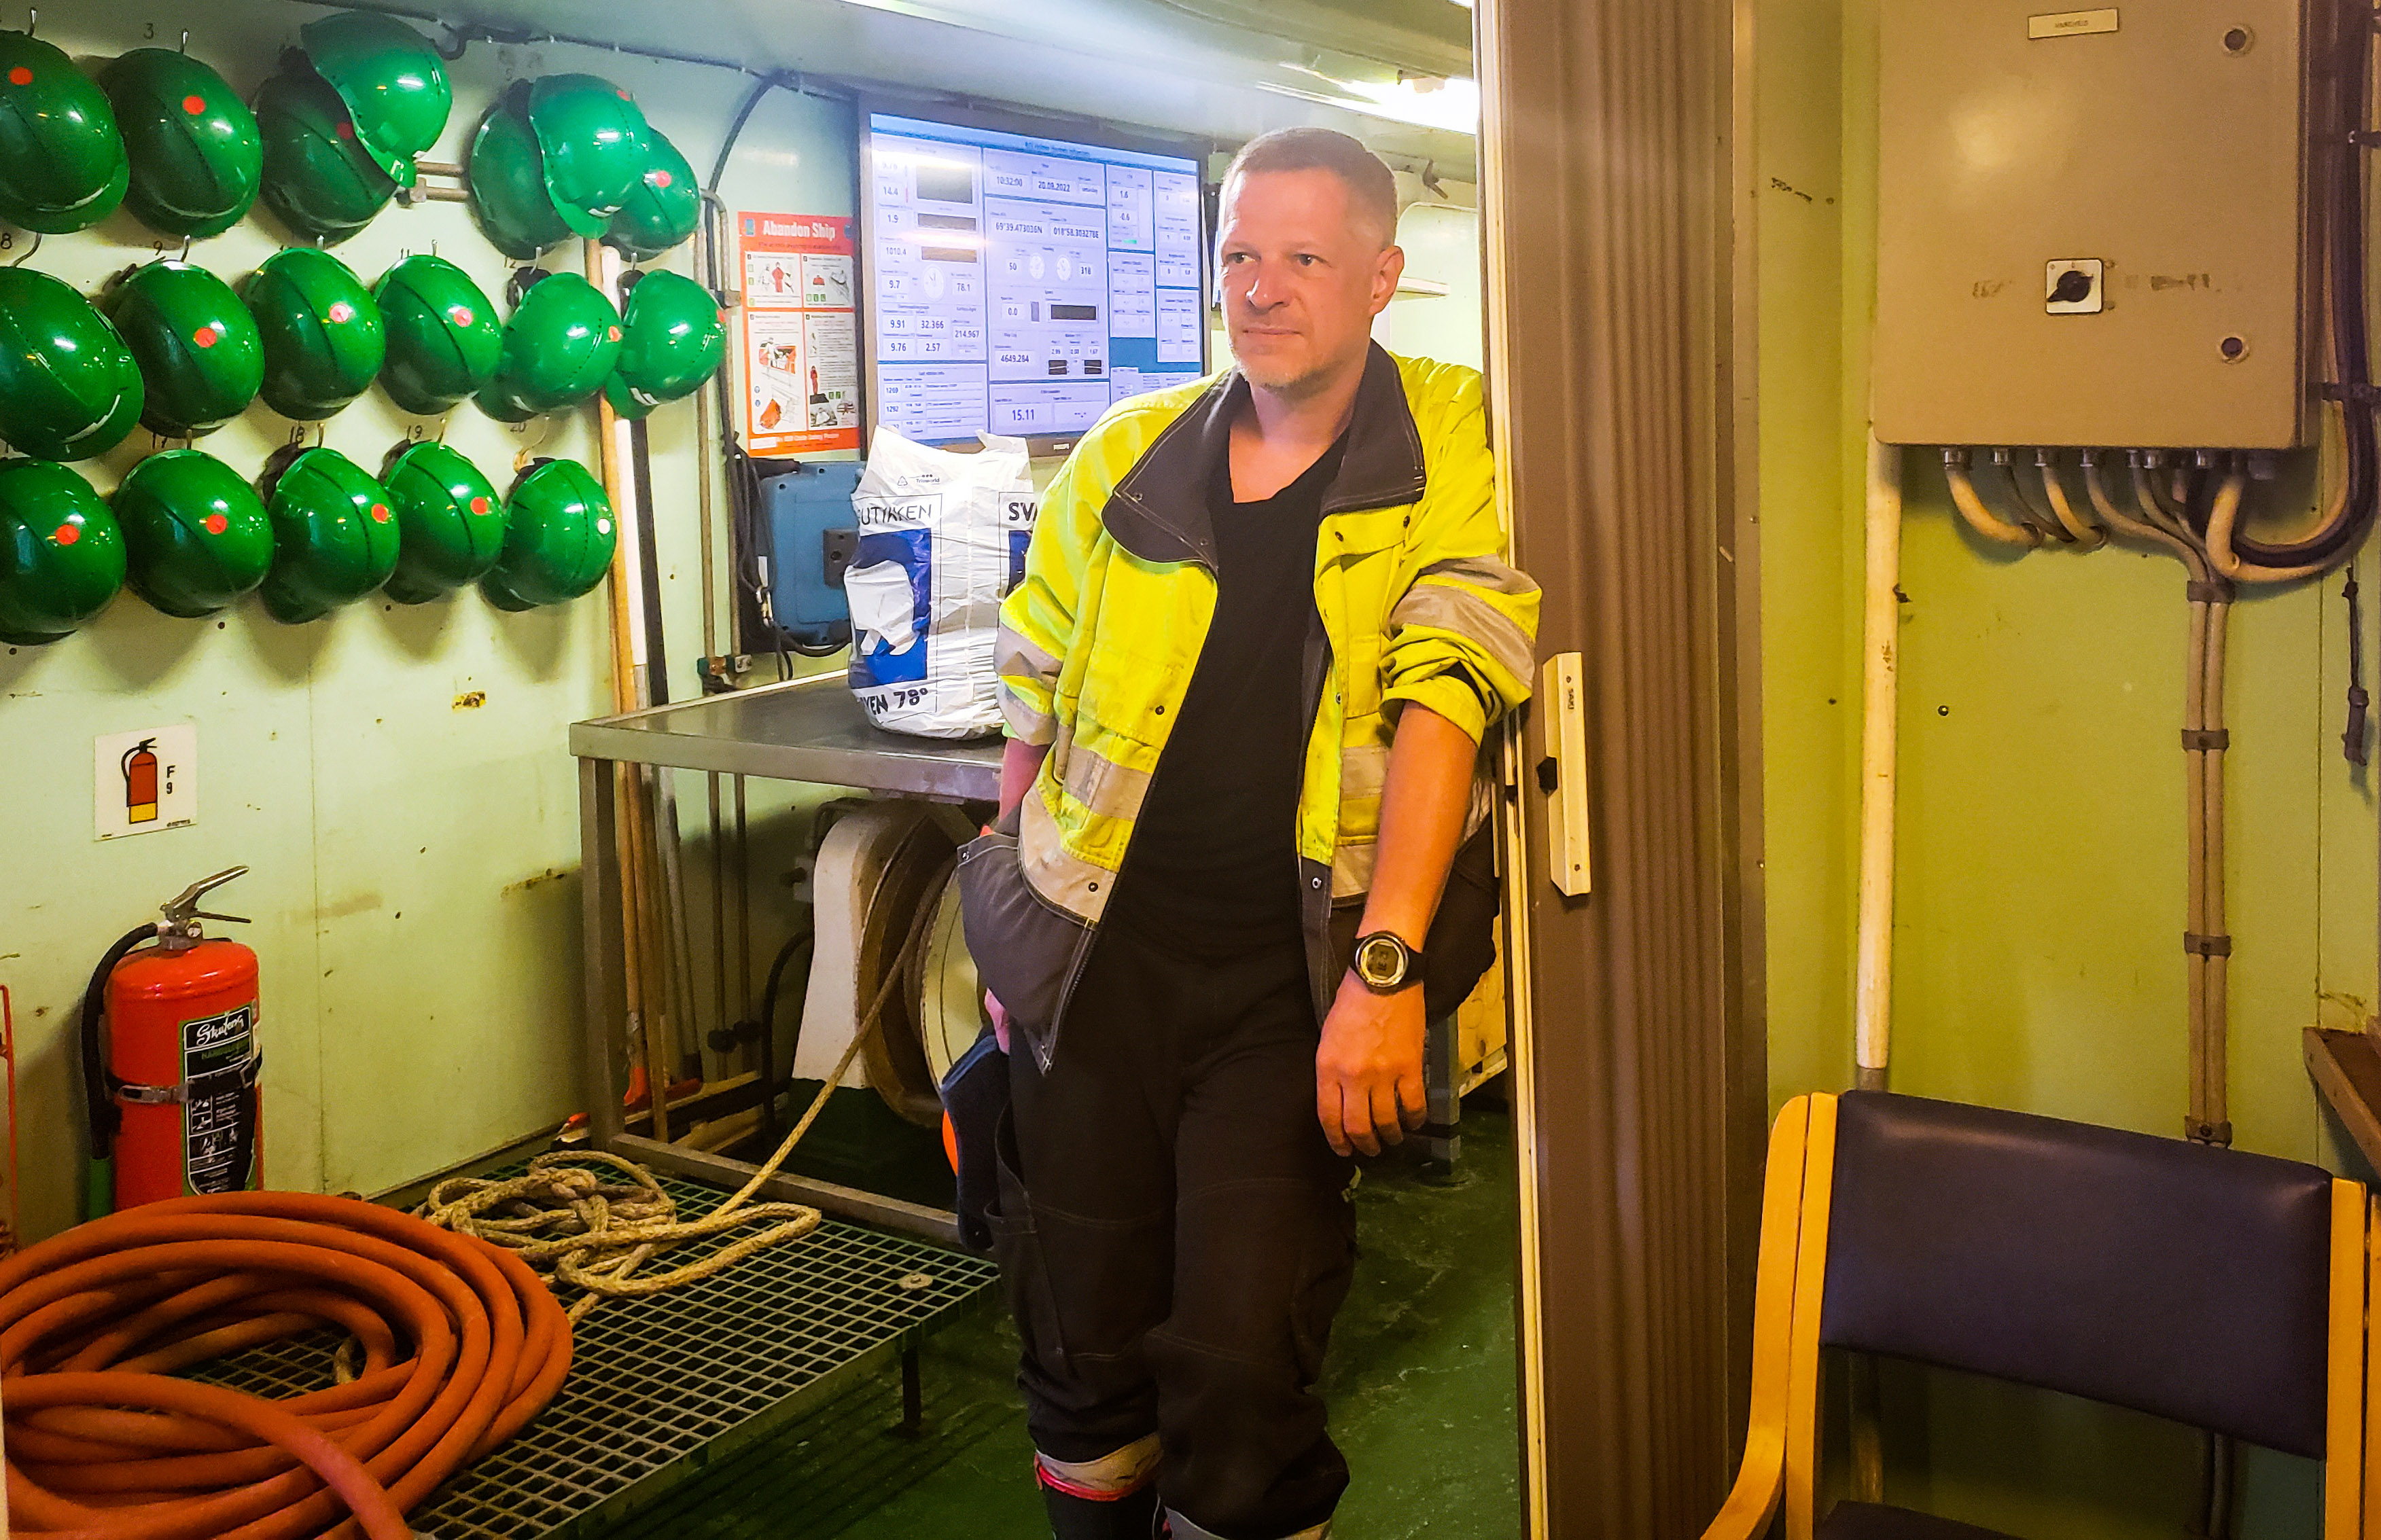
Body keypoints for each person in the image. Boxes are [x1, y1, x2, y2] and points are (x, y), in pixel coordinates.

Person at [970, 126, 1540, 1540]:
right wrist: (1007, 927)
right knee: (1079, 1347)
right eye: (1238, 254)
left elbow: (1451, 685)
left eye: (1303, 258)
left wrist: (1386, 973)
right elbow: (1034, 691)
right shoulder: (1128, 454)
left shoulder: (1446, 433)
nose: (1261, 288)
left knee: (1239, 1363)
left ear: (1381, 279)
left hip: (1288, 985)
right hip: (1096, 963)